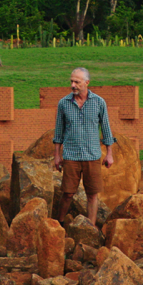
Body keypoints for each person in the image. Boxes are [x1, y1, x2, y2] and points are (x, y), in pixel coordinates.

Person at [52, 66, 115, 226]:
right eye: (72, 81)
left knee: (92, 195)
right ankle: (58, 223)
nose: (73, 85)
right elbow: (58, 131)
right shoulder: (63, 103)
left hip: (92, 156)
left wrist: (109, 153)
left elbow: (106, 129)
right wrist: (57, 155)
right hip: (71, 156)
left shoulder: (99, 102)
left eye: (77, 82)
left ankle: (91, 229)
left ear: (87, 82)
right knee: (67, 193)